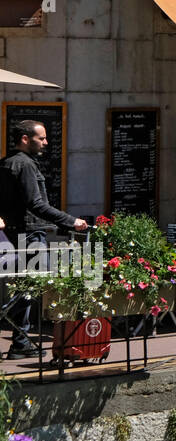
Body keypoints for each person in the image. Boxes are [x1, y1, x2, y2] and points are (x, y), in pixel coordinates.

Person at [0, 121, 90, 359]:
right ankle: (20, 340)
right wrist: (71, 221)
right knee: (33, 286)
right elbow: (36, 204)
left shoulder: (6, 163)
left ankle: (20, 342)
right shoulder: (26, 165)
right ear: (25, 139)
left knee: (26, 287)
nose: (46, 142)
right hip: (30, 234)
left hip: (14, 232)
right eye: (42, 138)